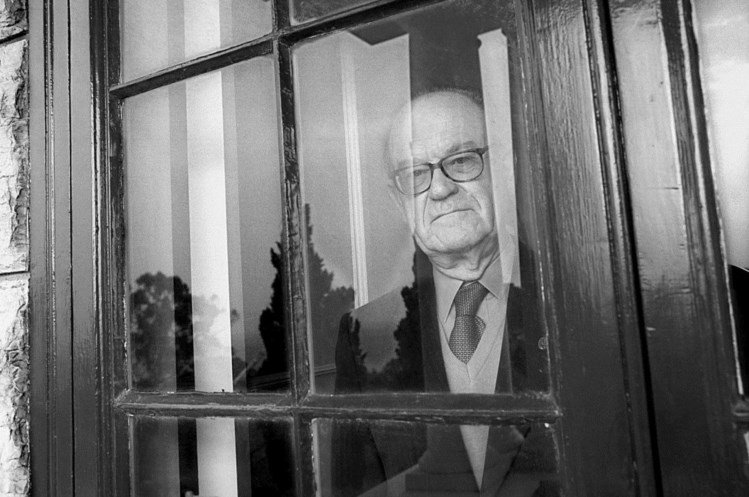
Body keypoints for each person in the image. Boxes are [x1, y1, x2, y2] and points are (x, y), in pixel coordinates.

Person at [333, 90, 554, 496]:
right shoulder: (365, 335)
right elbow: (357, 487)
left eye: (461, 160)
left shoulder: (576, 301)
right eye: (415, 174)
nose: (439, 190)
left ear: (502, 170)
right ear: (398, 201)